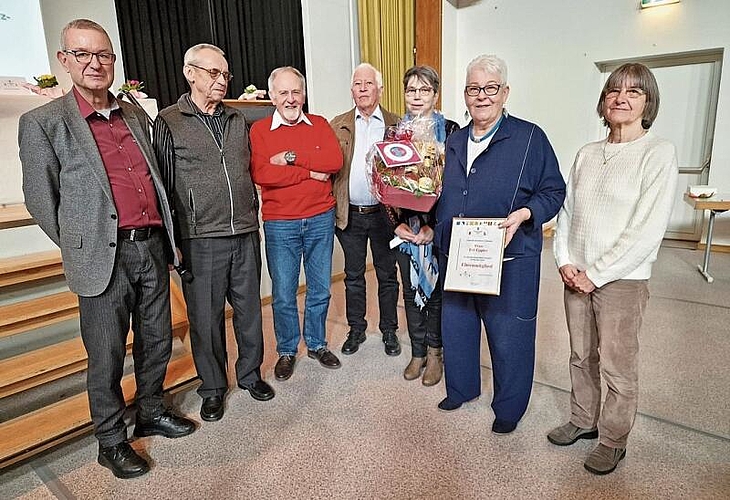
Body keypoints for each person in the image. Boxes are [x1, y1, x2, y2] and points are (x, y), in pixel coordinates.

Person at [18, 19, 195, 479]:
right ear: (64, 61)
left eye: (103, 55)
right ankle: (111, 440)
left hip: (152, 247)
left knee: (157, 340)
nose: (95, 64)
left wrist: (168, 238)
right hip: (104, 258)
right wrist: (82, 246)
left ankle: (151, 410)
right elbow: (42, 199)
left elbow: (154, 181)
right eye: (83, 55)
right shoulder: (43, 122)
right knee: (107, 353)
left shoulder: (133, 114)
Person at [548, 63, 678, 475]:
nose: (621, 98)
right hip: (577, 274)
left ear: (648, 102)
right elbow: (567, 212)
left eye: (634, 92)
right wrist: (565, 260)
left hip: (622, 280)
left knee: (618, 365)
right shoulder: (587, 153)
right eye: (613, 91)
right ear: (603, 102)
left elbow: (647, 229)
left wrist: (596, 273)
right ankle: (584, 420)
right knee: (579, 355)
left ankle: (613, 439)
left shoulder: (658, 153)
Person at [434, 55, 565, 434]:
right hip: (458, 253)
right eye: (474, 89)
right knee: (457, 324)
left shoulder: (529, 137)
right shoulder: (453, 141)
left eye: (490, 88)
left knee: (510, 333)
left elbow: (554, 190)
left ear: (505, 93)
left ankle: (509, 408)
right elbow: (438, 192)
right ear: (465, 94)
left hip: (510, 257)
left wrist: (526, 214)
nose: (481, 97)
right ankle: (461, 388)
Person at [153, 43, 274, 423]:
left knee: (250, 312)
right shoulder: (168, 121)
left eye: (225, 75)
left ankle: (251, 375)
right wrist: (172, 243)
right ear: (190, 73)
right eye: (213, 73)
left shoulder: (238, 120)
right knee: (205, 320)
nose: (221, 81)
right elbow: (163, 186)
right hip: (200, 237)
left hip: (244, 233)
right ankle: (213, 388)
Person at [249, 66, 343, 380]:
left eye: (296, 92)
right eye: (284, 93)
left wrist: (287, 158)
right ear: (273, 96)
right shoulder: (260, 131)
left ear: (303, 94)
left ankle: (316, 343)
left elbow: (333, 162)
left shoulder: (319, 124)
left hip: (320, 218)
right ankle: (287, 349)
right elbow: (262, 175)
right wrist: (306, 170)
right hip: (281, 224)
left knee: (319, 289)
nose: (291, 99)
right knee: (284, 294)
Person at [384, 65, 459, 385]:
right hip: (406, 227)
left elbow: (456, 186)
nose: (417, 96)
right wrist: (395, 225)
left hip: (437, 227)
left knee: (437, 293)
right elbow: (384, 182)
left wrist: (435, 227)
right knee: (410, 288)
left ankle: (435, 353)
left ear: (435, 94)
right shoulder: (394, 133)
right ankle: (416, 352)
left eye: (424, 90)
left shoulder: (453, 131)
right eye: (411, 90)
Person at [330, 63, 401, 357]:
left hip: (386, 216)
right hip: (351, 215)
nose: (362, 89)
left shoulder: (397, 124)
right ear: (351, 91)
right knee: (354, 276)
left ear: (380, 90)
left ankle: (389, 331)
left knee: (387, 274)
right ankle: (356, 329)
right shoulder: (338, 124)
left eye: (368, 84)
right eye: (357, 84)